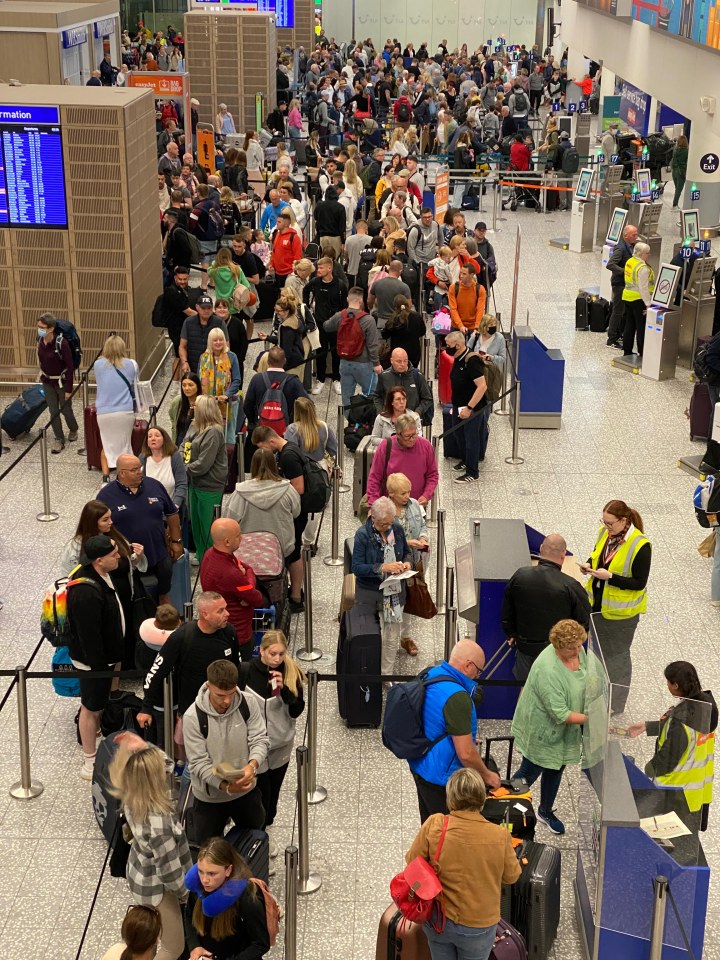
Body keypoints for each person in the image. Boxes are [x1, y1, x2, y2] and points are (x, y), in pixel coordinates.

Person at [404, 767, 521, 960]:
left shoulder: (435, 824)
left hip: (438, 919)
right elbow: (512, 876)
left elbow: (412, 861)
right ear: (481, 797)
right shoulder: (499, 835)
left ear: (451, 797)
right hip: (479, 925)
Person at [108, 736, 192, 960]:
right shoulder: (159, 825)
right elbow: (170, 871)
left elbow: (166, 765)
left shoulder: (131, 795)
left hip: (138, 874)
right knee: (174, 946)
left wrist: (144, 747)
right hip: (157, 889)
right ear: (153, 780)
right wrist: (187, 895)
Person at [408, 639, 501, 821]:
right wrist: (488, 776)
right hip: (441, 779)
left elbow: (433, 717)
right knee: (446, 835)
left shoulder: (430, 673)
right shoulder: (458, 697)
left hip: (420, 764)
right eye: (478, 670)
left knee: (430, 827)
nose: (477, 676)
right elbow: (465, 754)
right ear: (468, 666)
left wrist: (463, 735)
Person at [510, 619, 588, 835]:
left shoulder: (576, 651)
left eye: (580, 644)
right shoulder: (548, 671)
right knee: (528, 773)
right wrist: (593, 718)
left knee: (556, 766)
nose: (579, 650)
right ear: (558, 646)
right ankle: (507, 805)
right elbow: (560, 714)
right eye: (572, 648)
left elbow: (585, 675)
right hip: (542, 731)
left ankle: (545, 811)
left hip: (562, 733)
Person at [182, 660, 269, 842]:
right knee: (209, 851)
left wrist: (252, 766)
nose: (227, 701)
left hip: (246, 790)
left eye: (231, 693)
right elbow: (198, 763)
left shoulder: (248, 703)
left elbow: (260, 739)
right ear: (208, 686)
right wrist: (226, 787)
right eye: (220, 695)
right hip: (210, 798)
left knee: (255, 836)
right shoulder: (193, 717)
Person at [238, 630, 306, 858]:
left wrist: (286, 692)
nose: (277, 658)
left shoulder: (291, 673)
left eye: (281, 654)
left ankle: (265, 828)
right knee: (258, 793)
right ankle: (257, 834)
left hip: (280, 746)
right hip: (252, 746)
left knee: (272, 794)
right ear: (262, 651)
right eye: (272, 653)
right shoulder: (246, 672)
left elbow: (297, 711)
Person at [580, 499, 651, 714]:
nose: (606, 527)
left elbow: (640, 583)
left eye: (610, 523)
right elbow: (597, 556)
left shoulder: (640, 545)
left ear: (624, 520)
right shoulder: (605, 533)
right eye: (604, 522)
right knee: (597, 654)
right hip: (598, 607)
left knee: (617, 659)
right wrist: (589, 567)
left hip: (622, 616)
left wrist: (610, 576)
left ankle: (616, 703)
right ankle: (597, 693)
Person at [138, 591, 240, 734]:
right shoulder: (182, 637)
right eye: (221, 611)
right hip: (192, 712)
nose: (227, 614)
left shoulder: (229, 632)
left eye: (226, 608)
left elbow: (237, 667)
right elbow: (156, 672)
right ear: (205, 614)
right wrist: (146, 707)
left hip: (225, 709)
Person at [629, 661, 717, 826]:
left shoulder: (682, 720)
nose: (667, 686)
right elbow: (689, 734)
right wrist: (649, 726)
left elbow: (669, 756)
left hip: (674, 791)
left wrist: (648, 770)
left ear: (676, 685)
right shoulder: (705, 706)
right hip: (695, 791)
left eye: (668, 682)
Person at [66, 535, 124, 779]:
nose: (119, 555)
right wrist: (100, 668)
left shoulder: (100, 574)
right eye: (114, 554)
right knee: (90, 708)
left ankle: (97, 741)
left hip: (104, 659)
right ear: (99, 560)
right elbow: (89, 636)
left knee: (97, 705)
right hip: (93, 664)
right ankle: (89, 760)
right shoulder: (85, 593)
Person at [502, 534, 591, 682]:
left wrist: (511, 633)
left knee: (526, 689)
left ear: (541, 549)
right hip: (556, 655)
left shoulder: (520, 576)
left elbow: (507, 611)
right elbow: (584, 623)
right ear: (563, 555)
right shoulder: (571, 586)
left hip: (525, 649)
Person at [98, 454, 183, 606]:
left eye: (140, 468)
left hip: (159, 553)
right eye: (134, 469)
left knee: (163, 594)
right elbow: (98, 526)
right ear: (122, 473)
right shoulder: (106, 495)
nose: (139, 472)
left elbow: (172, 514)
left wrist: (176, 541)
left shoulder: (154, 485)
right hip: (126, 560)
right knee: (131, 600)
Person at [352, 497, 413, 677]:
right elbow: (356, 567)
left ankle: (386, 674)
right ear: (373, 519)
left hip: (394, 592)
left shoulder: (398, 529)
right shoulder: (363, 535)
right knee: (372, 635)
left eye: (390, 522)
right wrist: (383, 567)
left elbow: (408, 553)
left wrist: (407, 564)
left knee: (392, 637)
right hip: (370, 593)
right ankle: (369, 672)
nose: (388, 526)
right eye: (383, 524)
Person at [184, 836, 271, 959]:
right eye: (200, 871)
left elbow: (261, 944)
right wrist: (194, 946)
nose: (204, 880)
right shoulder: (199, 885)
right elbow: (189, 915)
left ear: (228, 870)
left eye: (212, 873)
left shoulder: (247, 898)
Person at [225, 448, 301, 572]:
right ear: (274, 464)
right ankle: (295, 591)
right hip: (282, 548)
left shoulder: (240, 492)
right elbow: (296, 512)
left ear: (252, 465)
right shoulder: (287, 490)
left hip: (247, 550)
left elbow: (229, 519)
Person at [284, 396, 337, 550]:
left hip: (299, 470)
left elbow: (289, 451)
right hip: (320, 470)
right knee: (314, 507)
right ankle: (309, 542)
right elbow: (333, 450)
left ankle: (296, 539)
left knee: (297, 504)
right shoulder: (324, 427)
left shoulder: (293, 429)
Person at [386, 472, 429, 657]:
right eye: (403, 493)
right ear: (391, 494)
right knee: (394, 599)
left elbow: (424, 526)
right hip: (393, 564)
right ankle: (389, 640)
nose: (408, 496)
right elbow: (383, 540)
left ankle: (406, 637)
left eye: (409, 492)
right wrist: (408, 543)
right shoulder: (385, 511)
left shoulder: (415, 506)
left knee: (410, 596)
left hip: (414, 561)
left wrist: (423, 538)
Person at [183, 395, 228, 564]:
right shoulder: (195, 425)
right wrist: (182, 460)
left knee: (208, 526)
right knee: (196, 523)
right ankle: (202, 554)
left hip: (209, 485)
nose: (193, 406)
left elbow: (203, 464)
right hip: (194, 482)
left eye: (197, 405)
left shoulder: (214, 431)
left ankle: (212, 559)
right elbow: (184, 445)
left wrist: (183, 468)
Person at [323, 286, 382, 411]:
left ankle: (350, 423)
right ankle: (367, 423)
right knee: (371, 395)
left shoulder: (341, 315)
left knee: (347, 398)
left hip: (344, 362)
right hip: (364, 363)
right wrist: (376, 363)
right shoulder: (368, 319)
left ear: (347, 299)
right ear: (361, 301)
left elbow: (326, 326)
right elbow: (372, 344)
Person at [442, 330, 489, 483]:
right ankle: (465, 459)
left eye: (448, 345)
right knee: (459, 435)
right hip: (458, 405)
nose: (446, 348)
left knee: (471, 439)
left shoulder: (472, 361)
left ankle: (472, 471)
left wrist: (469, 408)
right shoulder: (458, 357)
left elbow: (482, 386)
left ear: (458, 345)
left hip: (472, 407)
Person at [366, 412, 438, 506]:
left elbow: (432, 475)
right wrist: (373, 505)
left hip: (416, 505)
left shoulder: (426, 446)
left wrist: (426, 495)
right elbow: (374, 478)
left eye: (414, 434)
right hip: (390, 506)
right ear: (398, 435)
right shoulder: (385, 446)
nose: (412, 439)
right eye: (408, 436)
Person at [93, 335, 139, 482]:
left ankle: (105, 478)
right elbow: (134, 383)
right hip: (125, 411)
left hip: (104, 412)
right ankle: (124, 476)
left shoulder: (98, 365)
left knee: (106, 444)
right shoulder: (132, 364)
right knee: (125, 445)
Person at [304, 256, 348, 394]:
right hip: (320, 323)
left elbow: (344, 305)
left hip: (335, 325)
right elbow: (305, 291)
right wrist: (307, 308)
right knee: (320, 352)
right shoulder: (315, 282)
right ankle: (320, 379)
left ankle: (337, 379)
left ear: (330, 268)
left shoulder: (340, 285)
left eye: (321, 267)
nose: (318, 270)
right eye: (318, 267)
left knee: (336, 352)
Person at [36, 313, 79, 454]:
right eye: (38, 327)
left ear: (51, 328)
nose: (39, 330)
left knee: (66, 410)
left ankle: (73, 428)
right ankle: (59, 439)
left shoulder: (62, 343)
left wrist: (68, 389)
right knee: (53, 411)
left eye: (42, 327)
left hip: (62, 382)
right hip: (47, 381)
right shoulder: (40, 341)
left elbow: (70, 367)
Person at [243, 346, 309, 429]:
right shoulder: (293, 381)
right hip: (286, 431)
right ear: (284, 360)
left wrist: (255, 422)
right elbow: (308, 404)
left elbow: (247, 406)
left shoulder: (257, 379)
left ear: (268, 361)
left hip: (262, 431)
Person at [197, 328, 242, 443]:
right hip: (208, 403)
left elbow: (237, 380)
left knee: (228, 435)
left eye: (221, 340)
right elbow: (199, 379)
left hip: (228, 403)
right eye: (215, 340)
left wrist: (226, 395)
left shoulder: (232, 357)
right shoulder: (203, 358)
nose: (218, 343)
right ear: (210, 342)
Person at [373, 348, 433, 420]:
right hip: (390, 421)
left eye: (405, 361)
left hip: (411, 421)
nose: (402, 364)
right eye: (399, 361)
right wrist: (381, 412)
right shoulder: (384, 376)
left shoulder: (418, 376)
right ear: (391, 361)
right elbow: (377, 396)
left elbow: (427, 398)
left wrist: (417, 412)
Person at [140, 426, 188, 517]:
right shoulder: (143, 458)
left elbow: (182, 484)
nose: (153, 438)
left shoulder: (174, 456)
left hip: (173, 509)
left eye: (157, 435)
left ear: (164, 439)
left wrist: (175, 506)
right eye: (149, 436)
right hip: (150, 510)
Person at [605, 224, 638, 348]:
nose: (636, 236)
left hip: (626, 284)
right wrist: (624, 271)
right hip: (619, 284)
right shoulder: (621, 249)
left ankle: (619, 334)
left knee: (624, 311)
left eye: (636, 234)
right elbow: (610, 264)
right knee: (618, 311)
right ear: (626, 236)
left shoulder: (632, 246)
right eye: (633, 234)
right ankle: (611, 338)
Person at [622, 241, 655, 358]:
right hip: (638, 300)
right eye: (647, 253)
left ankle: (627, 351)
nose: (649, 255)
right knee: (641, 327)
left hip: (627, 297)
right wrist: (648, 304)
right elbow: (643, 288)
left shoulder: (630, 262)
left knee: (629, 325)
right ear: (641, 254)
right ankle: (642, 352)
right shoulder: (643, 268)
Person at [381, 294, 426, 367]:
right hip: (414, 353)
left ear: (395, 307)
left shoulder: (394, 319)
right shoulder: (417, 316)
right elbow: (422, 332)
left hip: (397, 354)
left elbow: (384, 335)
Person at [449, 263, 486, 333]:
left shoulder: (480, 289)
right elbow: (453, 309)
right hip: (456, 326)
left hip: (473, 326)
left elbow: (480, 309)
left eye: (464, 274)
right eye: (461, 273)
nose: (461, 276)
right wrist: (460, 325)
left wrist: (477, 327)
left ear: (471, 275)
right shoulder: (453, 288)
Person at [168, 372, 201, 447]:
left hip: (196, 445)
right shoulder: (177, 401)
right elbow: (172, 416)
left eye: (190, 385)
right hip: (179, 443)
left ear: (198, 386)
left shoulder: (203, 403)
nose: (187, 388)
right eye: (184, 385)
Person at [671, 135, 689, 208]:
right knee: (679, 189)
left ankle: (675, 203)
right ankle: (675, 204)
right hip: (681, 172)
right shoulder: (686, 151)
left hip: (674, 171)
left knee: (677, 188)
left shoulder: (675, 149)